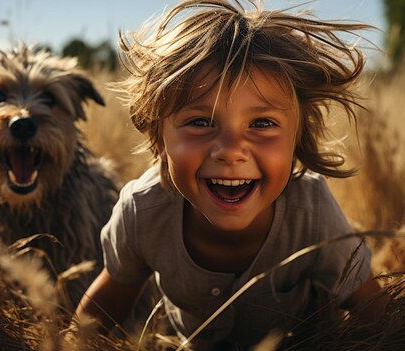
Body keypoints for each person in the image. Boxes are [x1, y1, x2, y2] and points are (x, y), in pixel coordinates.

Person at [76, 0, 387, 349]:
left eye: (261, 123)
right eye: (200, 122)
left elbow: (374, 314)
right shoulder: (142, 213)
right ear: (159, 140)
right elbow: (99, 315)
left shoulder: (312, 213)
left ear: (295, 140)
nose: (230, 149)